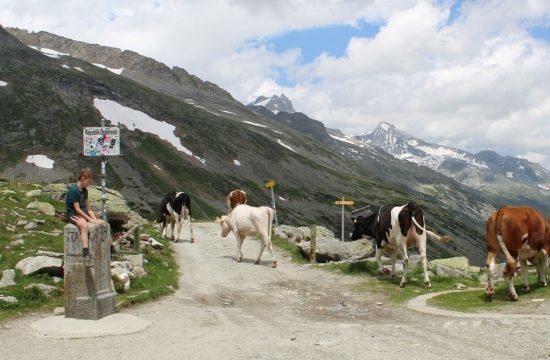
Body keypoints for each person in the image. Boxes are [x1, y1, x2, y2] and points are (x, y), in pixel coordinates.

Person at [65, 168, 104, 267]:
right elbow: (77, 209)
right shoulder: (73, 190)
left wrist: (94, 219)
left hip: (82, 214)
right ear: (82, 178)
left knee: (102, 222)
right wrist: (90, 219)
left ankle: (111, 248)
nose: (89, 183)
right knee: (84, 225)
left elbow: (89, 208)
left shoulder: (85, 190)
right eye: (88, 181)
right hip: (73, 215)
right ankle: (86, 256)